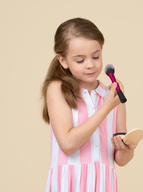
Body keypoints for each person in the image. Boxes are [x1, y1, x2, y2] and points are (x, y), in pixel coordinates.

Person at [41, 18, 137, 192]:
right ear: (63, 60)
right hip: (69, 183)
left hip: (103, 184)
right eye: (80, 60)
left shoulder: (112, 97)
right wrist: (107, 107)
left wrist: (128, 148)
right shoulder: (58, 90)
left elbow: (120, 159)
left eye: (96, 56)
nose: (90, 65)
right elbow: (68, 144)